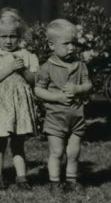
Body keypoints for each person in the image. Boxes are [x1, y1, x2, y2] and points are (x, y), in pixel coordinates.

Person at [0, 7, 38, 191]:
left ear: (19, 35)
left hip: (19, 105)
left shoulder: (28, 56)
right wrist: (11, 67)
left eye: (12, 36)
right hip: (1, 105)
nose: (8, 41)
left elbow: (33, 80)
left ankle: (21, 178)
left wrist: (22, 69)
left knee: (18, 143)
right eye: (3, 36)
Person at [34, 18, 93, 192]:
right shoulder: (47, 68)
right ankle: (54, 182)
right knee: (57, 152)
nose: (71, 48)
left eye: (73, 43)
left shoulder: (80, 65)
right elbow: (38, 90)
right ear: (51, 45)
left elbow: (89, 85)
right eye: (66, 44)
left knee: (74, 153)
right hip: (55, 118)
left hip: (76, 117)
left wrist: (78, 88)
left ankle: (72, 181)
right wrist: (57, 97)